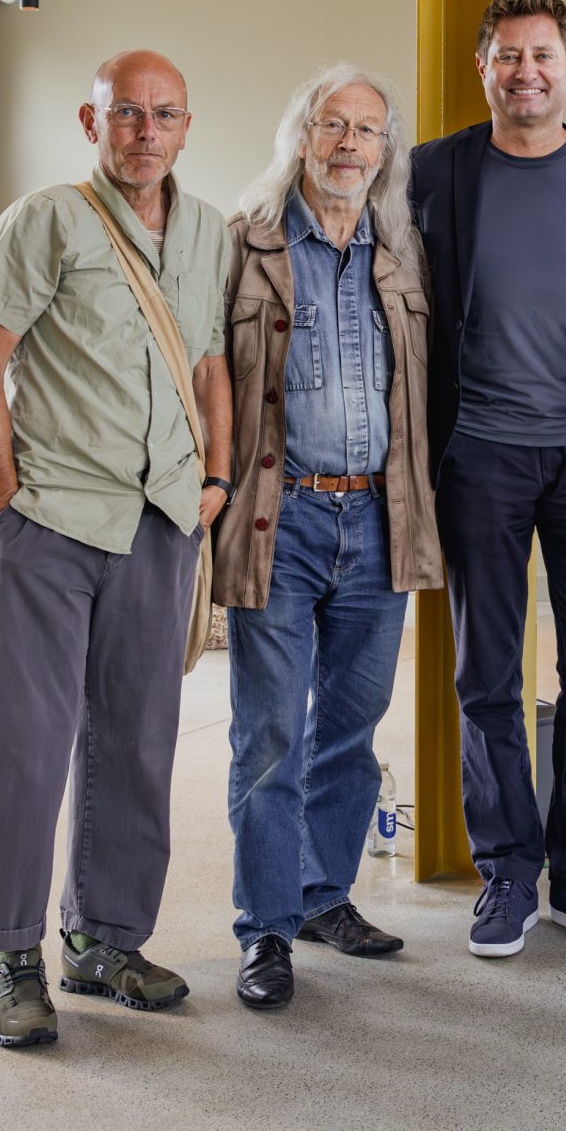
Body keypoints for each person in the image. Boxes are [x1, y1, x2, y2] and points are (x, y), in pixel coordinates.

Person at [0, 49, 234, 1047]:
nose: (144, 131)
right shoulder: (46, 221)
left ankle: (104, 942)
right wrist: (7, 504)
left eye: (164, 114)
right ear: (92, 122)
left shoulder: (205, 233)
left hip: (160, 522)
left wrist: (214, 481)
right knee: (28, 746)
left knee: (138, 740)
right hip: (55, 522)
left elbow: (209, 365)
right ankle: (14, 955)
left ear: (187, 126)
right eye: (126, 113)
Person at [411, 0, 566, 959]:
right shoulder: (432, 173)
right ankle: (507, 871)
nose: (525, 72)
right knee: (486, 672)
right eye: (508, 55)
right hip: (479, 454)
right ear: (483, 68)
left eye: (542, 55)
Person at [213, 64, 442, 1010]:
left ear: (386, 150)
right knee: (270, 732)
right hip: (283, 517)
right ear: (301, 136)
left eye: (367, 130)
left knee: (350, 726)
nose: (350, 144)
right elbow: (208, 374)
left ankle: (322, 894)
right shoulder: (248, 243)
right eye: (332, 124)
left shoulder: (403, 253)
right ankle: (266, 927)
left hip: (380, 520)